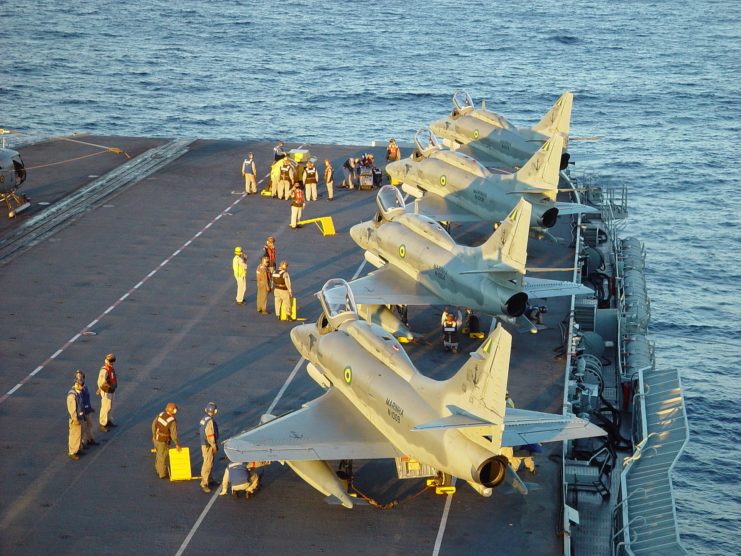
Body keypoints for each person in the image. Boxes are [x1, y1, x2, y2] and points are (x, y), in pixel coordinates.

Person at [152, 402, 180, 479]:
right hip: (163, 441)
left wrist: (154, 436)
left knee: (158, 454)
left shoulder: (161, 414)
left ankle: (158, 469)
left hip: (156, 438)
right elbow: (174, 434)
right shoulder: (172, 421)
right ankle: (162, 473)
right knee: (162, 456)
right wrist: (176, 443)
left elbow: (154, 425)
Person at [199, 402, 219, 493]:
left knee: (209, 462)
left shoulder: (204, 418)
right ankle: (204, 483)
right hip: (208, 445)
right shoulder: (210, 421)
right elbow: (210, 435)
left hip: (204, 444)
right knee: (207, 464)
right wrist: (214, 446)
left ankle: (209, 479)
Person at [75, 370, 97, 447]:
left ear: (84, 378)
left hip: (87, 410)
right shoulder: (76, 389)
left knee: (90, 425)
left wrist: (90, 408)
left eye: (81, 378)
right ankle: (82, 443)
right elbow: (78, 402)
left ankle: (90, 439)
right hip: (82, 412)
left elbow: (87, 399)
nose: (79, 379)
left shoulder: (85, 387)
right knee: (82, 429)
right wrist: (80, 412)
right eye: (78, 378)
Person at [97, 353, 118, 432]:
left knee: (110, 406)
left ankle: (108, 420)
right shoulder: (104, 370)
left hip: (112, 390)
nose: (112, 362)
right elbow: (100, 382)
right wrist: (103, 389)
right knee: (105, 407)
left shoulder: (111, 368)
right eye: (111, 360)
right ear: (106, 361)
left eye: (113, 360)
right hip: (106, 391)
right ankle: (102, 424)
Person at [67, 379, 85, 460]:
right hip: (75, 419)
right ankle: (72, 452)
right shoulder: (72, 396)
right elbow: (72, 410)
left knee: (80, 434)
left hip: (80, 417)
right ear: (76, 384)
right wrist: (76, 420)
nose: (82, 386)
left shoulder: (79, 392)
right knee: (74, 435)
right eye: (81, 384)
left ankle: (78, 448)